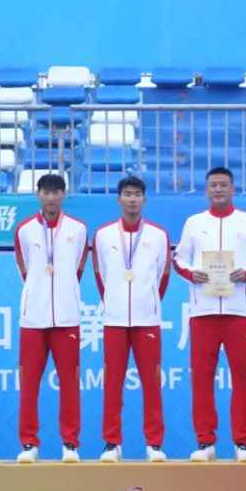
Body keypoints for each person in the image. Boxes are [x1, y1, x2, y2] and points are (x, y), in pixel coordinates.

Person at [173, 167, 246, 462]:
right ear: (206, 190)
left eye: (223, 185)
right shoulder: (194, 223)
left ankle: (243, 443)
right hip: (202, 312)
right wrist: (192, 274)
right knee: (202, 379)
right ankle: (205, 441)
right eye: (213, 185)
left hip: (238, 311)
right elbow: (179, 259)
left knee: (242, 378)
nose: (218, 190)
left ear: (233, 189)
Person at [91, 177, 171, 463]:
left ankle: (154, 443)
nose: (132, 199)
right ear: (118, 199)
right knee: (112, 384)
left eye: (137, 194)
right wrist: (114, 300)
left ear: (144, 200)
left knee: (152, 383)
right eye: (127, 194)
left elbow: (163, 276)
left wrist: (148, 301)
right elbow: (100, 275)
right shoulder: (103, 235)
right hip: (114, 320)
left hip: (147, 320)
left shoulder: (158, 235)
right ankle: (112, 443)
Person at [13, 173, 89, 463]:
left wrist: (63, 291)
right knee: (29, 384)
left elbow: (78, 268)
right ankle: (29, 443)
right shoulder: (24, 230)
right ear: (38, 194)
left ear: (64, 195)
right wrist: (39, 292)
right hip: (33, 319)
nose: (51, 197)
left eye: (56, 192)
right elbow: (24, 268)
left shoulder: (78, 229)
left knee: (70, 383)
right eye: (46, 192)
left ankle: (70, 443)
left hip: (67, 318)